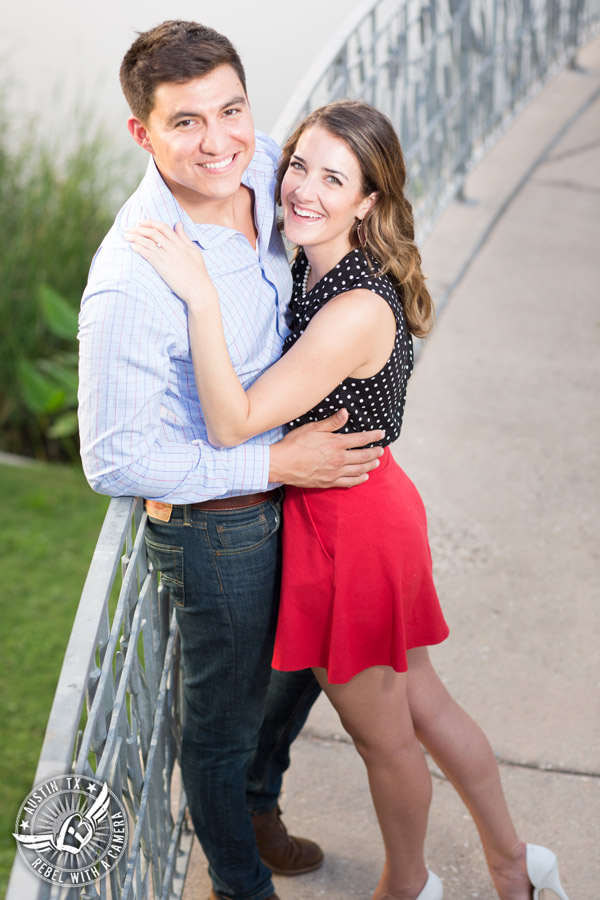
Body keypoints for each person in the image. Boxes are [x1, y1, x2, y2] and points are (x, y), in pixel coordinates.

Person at [125, 100, 572, 900]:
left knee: (388, 740)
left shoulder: (352, 307)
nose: (302, 189)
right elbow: (240, 156)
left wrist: (198, 292)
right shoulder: (322, 260)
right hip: (363, 503)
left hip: (348, 529)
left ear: (368, 201)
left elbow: (232, 424)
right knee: (425, 704)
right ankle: (516, 865)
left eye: (334, 178)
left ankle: (410, 885)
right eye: (299, 165)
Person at [78, 21, 386, 900]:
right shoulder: (131, 280)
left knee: (306, 672)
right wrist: (273, 465)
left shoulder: (265, 166)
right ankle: (239, 881)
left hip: (298, 476)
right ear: (143, 133)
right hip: (221, 528)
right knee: (222, 717)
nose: (218, 142)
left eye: (232, 110)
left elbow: (342, 184)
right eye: (186, 123)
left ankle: (256, 804)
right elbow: (115, 459)